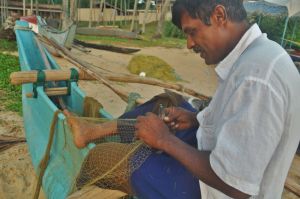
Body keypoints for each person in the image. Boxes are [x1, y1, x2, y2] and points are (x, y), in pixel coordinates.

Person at [67, 0, 300, 198]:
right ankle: (92, 133)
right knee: (168, 102)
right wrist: (195, 118)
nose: (189, 44)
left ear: (219, 15)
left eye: (192, 32)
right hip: (210, 157)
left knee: (100, 159)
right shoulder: (258, 55)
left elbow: (236, 185)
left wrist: (165, 141)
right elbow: (238, 118)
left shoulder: (257, 79)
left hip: (213, 190)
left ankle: (117, 150)